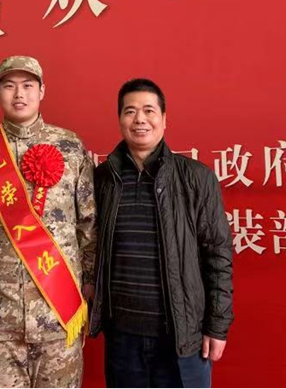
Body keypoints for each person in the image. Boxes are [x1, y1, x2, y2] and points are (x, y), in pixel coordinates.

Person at [0, 56, 96, 389]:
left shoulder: (70, 146)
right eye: (9, 86)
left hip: (59, 308)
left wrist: (89, 281)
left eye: (28, 85)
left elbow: (88, 223)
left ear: (42, 91)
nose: (19, 94)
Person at [90, 78, 233, 389]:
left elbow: (218, 255)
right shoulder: (101, 180)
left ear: (164, 119)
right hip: (122, 340)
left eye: (149, 110)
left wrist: (217, 325)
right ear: (120, 119)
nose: (139, 119)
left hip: (182, 338)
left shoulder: (196, 177)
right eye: (130, 111)